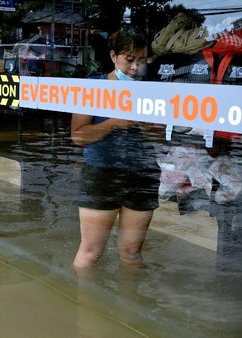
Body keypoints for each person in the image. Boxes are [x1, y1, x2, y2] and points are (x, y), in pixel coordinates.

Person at [71, 26, 161, 270]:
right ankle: (81, 306)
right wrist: (113, 123)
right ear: (113, 57)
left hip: (143, 175)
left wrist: (148, 125)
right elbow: (78, 136)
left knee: (132, 254)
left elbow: (162, 137)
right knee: (90, 253)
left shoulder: (152, 90)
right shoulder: (94, 87)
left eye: (141, 61)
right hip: (101, 174)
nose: (135, 68)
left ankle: (131, 304)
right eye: (129, 60)